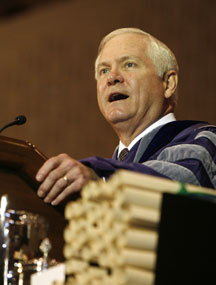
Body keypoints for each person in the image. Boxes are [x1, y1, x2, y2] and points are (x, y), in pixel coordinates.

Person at [36, 27, 216, 206]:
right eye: (103, 71)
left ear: (168, 83)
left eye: (129, 65)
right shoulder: (114, 165)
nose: (112, 78)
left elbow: (177, 186)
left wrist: (100, 180)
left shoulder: (205, 141)